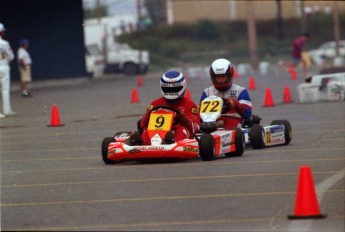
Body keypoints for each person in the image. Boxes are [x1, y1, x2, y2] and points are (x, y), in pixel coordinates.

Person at [127, 70, 200, 145]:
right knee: (147, 131)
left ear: (182, 86)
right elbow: (142, 125)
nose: (171, 91)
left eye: (174, 89)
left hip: (177, 134)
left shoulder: (189, 105)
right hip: (156, 134)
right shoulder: (155, 104)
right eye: (168, 89)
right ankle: (140, 144)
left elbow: (196, 128)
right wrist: (148, 115)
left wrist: (183, 119)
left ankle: (171, 142)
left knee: (182, 129)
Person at [200, 58, 252, 128]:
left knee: (231, 125)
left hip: (235, 122)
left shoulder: (240, 91)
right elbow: (201, 116)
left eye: (223, 76)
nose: (220, 80)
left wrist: (236, 105)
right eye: (218, 77)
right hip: (213, 124)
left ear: (229, 76)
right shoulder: (207, 93)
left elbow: (248, 114)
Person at [0, 22, 16, 117]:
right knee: (5, 89)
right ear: (1, 32)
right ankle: (7, 110)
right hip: (4, 66)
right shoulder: (5, 43)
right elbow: (11, 56)